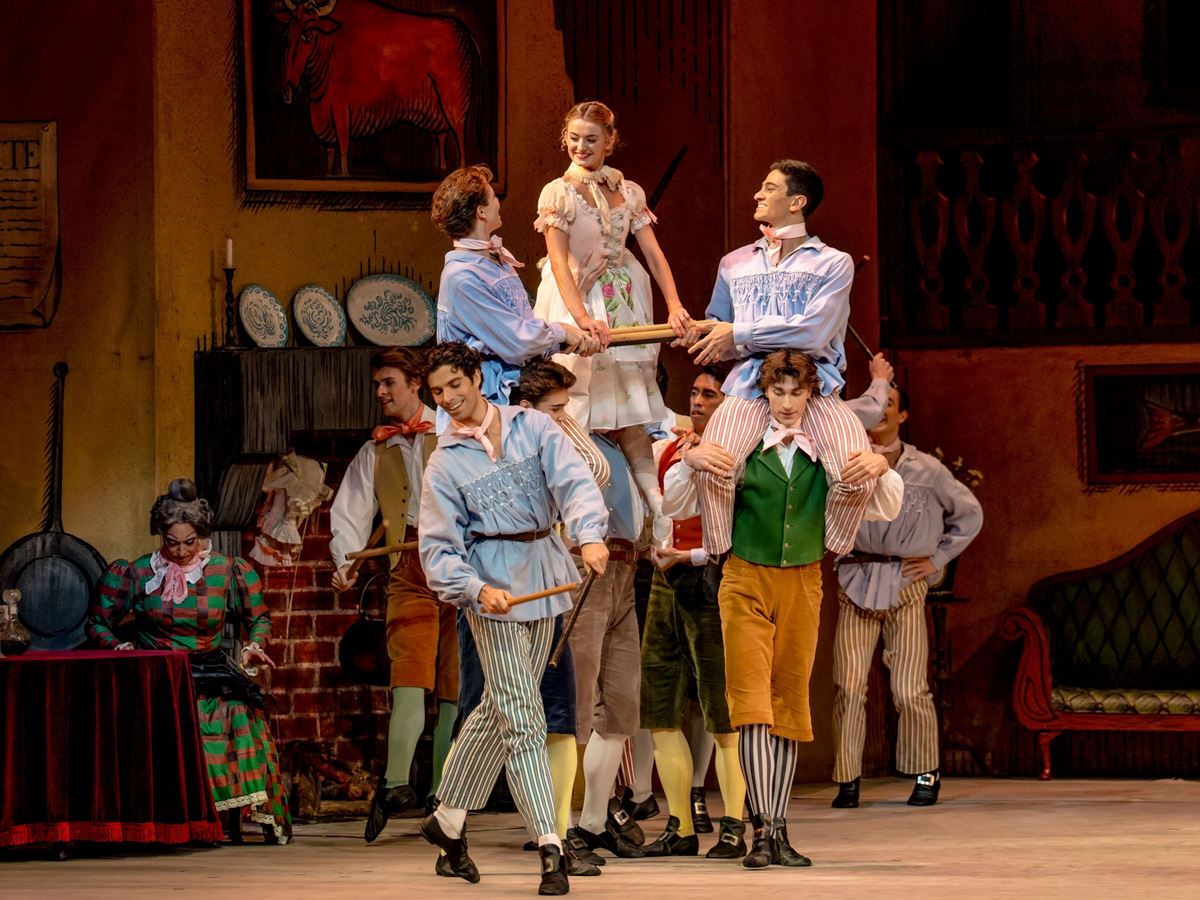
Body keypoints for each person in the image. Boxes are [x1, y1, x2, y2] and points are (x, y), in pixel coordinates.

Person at [665, 351, 902, 869]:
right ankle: (762, 831)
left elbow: (885, 506)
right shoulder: (742, 445)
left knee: (790, 703)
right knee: (752, 704)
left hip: (803, 580)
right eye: (778, 392)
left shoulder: (829, 449)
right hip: (744, 578)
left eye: (798, 393)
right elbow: (677, 503)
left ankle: (778, 830)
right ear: (764, 393)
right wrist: (689, 460)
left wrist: (880, 463)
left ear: (812, 394)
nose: (788, 403)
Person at [416, 343, 610, 895]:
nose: (449, 398)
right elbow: (438, 548)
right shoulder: (444, 462)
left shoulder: (534, 427)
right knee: (524, 716)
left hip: (545, 572)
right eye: (438, 391)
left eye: (456, 384)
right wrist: (475, 588)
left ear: (478, 378)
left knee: (497, 707)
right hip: (493, 588)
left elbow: (574, 482)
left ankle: (447, 819)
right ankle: (550, 844)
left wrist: (589, 536)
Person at [685, 160, 880, 583]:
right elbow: (718, 324)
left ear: (797, 202)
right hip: (751, 384)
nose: (758, 194)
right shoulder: (734, 262)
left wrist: (740, 333)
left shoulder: (834, 263)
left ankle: (825, 548)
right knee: (712, 466)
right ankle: (723, 555)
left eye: (769, 187)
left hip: (814, 385)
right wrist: (702, 334)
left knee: (857, 474)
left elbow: (813, 332)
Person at [87, 478, 291, 844]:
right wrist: (119, 647)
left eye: (190, 542)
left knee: (237, 711)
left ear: (201, 536)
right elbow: (97, 622)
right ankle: (172, 818)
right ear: (160, 536)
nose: (181, 551)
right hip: (158, 675)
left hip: (209, 670)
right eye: (172, 542)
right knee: (171, 714)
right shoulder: (137, 573)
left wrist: (253, 645)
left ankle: (224, 816)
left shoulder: (227, 570)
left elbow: (258, 617)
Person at [533, 100, 691, 538]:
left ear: (609, 142)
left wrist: (674, 303)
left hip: (622, 298)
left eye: (591, 139)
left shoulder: (628, 190)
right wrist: (582, 318)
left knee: (629, 408)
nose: (580, 147)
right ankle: (577, 521)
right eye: (574, 138)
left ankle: (657, 509)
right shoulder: (558, 193)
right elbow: (559, 262)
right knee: (578, 400)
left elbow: (653, 253)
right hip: (577, 295)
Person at [830, 384, 983, 808]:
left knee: (910, 687)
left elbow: (970, 514)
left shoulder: (927, 469)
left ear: (903, 416)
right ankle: (848, 777)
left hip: (906, 581)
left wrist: (937, 558)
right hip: (857, 580)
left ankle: (926, 771)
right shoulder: (846, 463)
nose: (881, 410)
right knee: (848, 685)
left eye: (890, 405)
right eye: (876, 403)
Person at [328, 347, 458, 842]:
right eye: (377, 385)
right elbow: (351, 510)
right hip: (408, 568)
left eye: (389, 383)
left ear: (415, 384)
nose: (381, 392)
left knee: (452, 682)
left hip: (460, 565)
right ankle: (396, 783)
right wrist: (346, 563)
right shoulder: (375, 451)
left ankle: (444, 794)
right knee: (409, 672)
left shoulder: (452, 434)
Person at [641, 364, 749, 859]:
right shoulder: (673, 447)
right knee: (660, 707)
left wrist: (691, 557)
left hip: (713, 583)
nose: (699, 401)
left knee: (722, 712)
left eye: (711, 394)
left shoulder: (739, 456)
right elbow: (663, 510)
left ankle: (734, 825)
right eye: (695, 392)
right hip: (666, 582)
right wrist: (658, 547)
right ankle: (680, 825)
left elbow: (739, 533)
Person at [433, 164, 597, 410]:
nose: (498, 202)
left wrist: (569, 340)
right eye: (493, 197)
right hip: (485, 406)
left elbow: (520, 330)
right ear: (481, 212)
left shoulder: (494, 261)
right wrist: (561, 332)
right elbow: (516, 341)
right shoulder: (462, 277)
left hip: (516, 392)